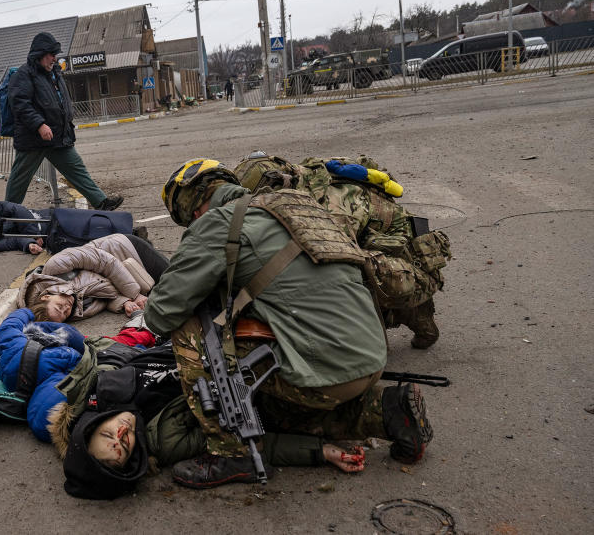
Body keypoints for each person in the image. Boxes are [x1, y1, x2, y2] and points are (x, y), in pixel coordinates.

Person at [143, 158, 434, 488]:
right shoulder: (299, 204)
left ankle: (231, 453)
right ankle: (388, 409)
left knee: (192, 325)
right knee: (272, 412)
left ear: (193, 209)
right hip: (370, 356)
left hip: (325, 373)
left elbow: (159, 314)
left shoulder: (217, 224)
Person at [0, 311, 369, 499]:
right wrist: (322, 453)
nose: (122, 432)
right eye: (124, 445)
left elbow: (109, 350)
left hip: (178, 337)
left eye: (110, 433)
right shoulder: (166, 441)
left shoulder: (95, 388)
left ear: (95, 422)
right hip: (227, 359)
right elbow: (245, 442)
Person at [234, 151, 452, 348]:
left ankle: (403, 322)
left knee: (341, 276)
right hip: (379, 248)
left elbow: (337, 263)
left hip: (409, 267)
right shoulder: (304, 181)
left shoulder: (332, 206)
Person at [4, 32, 122, 211]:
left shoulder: (54, 73)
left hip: (57, 136)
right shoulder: (24, 75)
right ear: (39, 54)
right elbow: (20, 104)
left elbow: (59, 101)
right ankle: (6, 213)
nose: (54, 58)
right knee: (20, 179)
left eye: (55, 54)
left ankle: (101, 202)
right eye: (51, 54)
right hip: (33, 139)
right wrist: (39, 124)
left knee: (76, 168)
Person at [17, 233, 166, 322]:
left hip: (126, 250)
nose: (67, 308)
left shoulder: (56, 266)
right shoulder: (76, 313)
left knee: (179, 280)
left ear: (45, 297)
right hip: (137, 276)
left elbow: (105, 262)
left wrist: (134, 294)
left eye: (60, 306)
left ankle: (142, 241)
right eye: (64, 314)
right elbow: (104, 295)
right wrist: (125, 302)